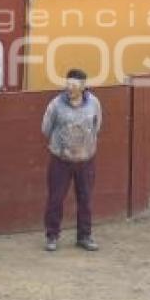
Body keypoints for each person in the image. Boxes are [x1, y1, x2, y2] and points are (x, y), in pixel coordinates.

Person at [41, 68, 103, 252]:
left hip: (86, 158)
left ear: (83, 87)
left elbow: (97, 126)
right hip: (61, 159)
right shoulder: (55, 105)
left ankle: (84, 236)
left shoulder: (94, 103)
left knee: (85, 198)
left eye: (74, 85)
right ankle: (52, 236)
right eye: (67, 84)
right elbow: (45, 128)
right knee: (55, 199)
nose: (70, 88)